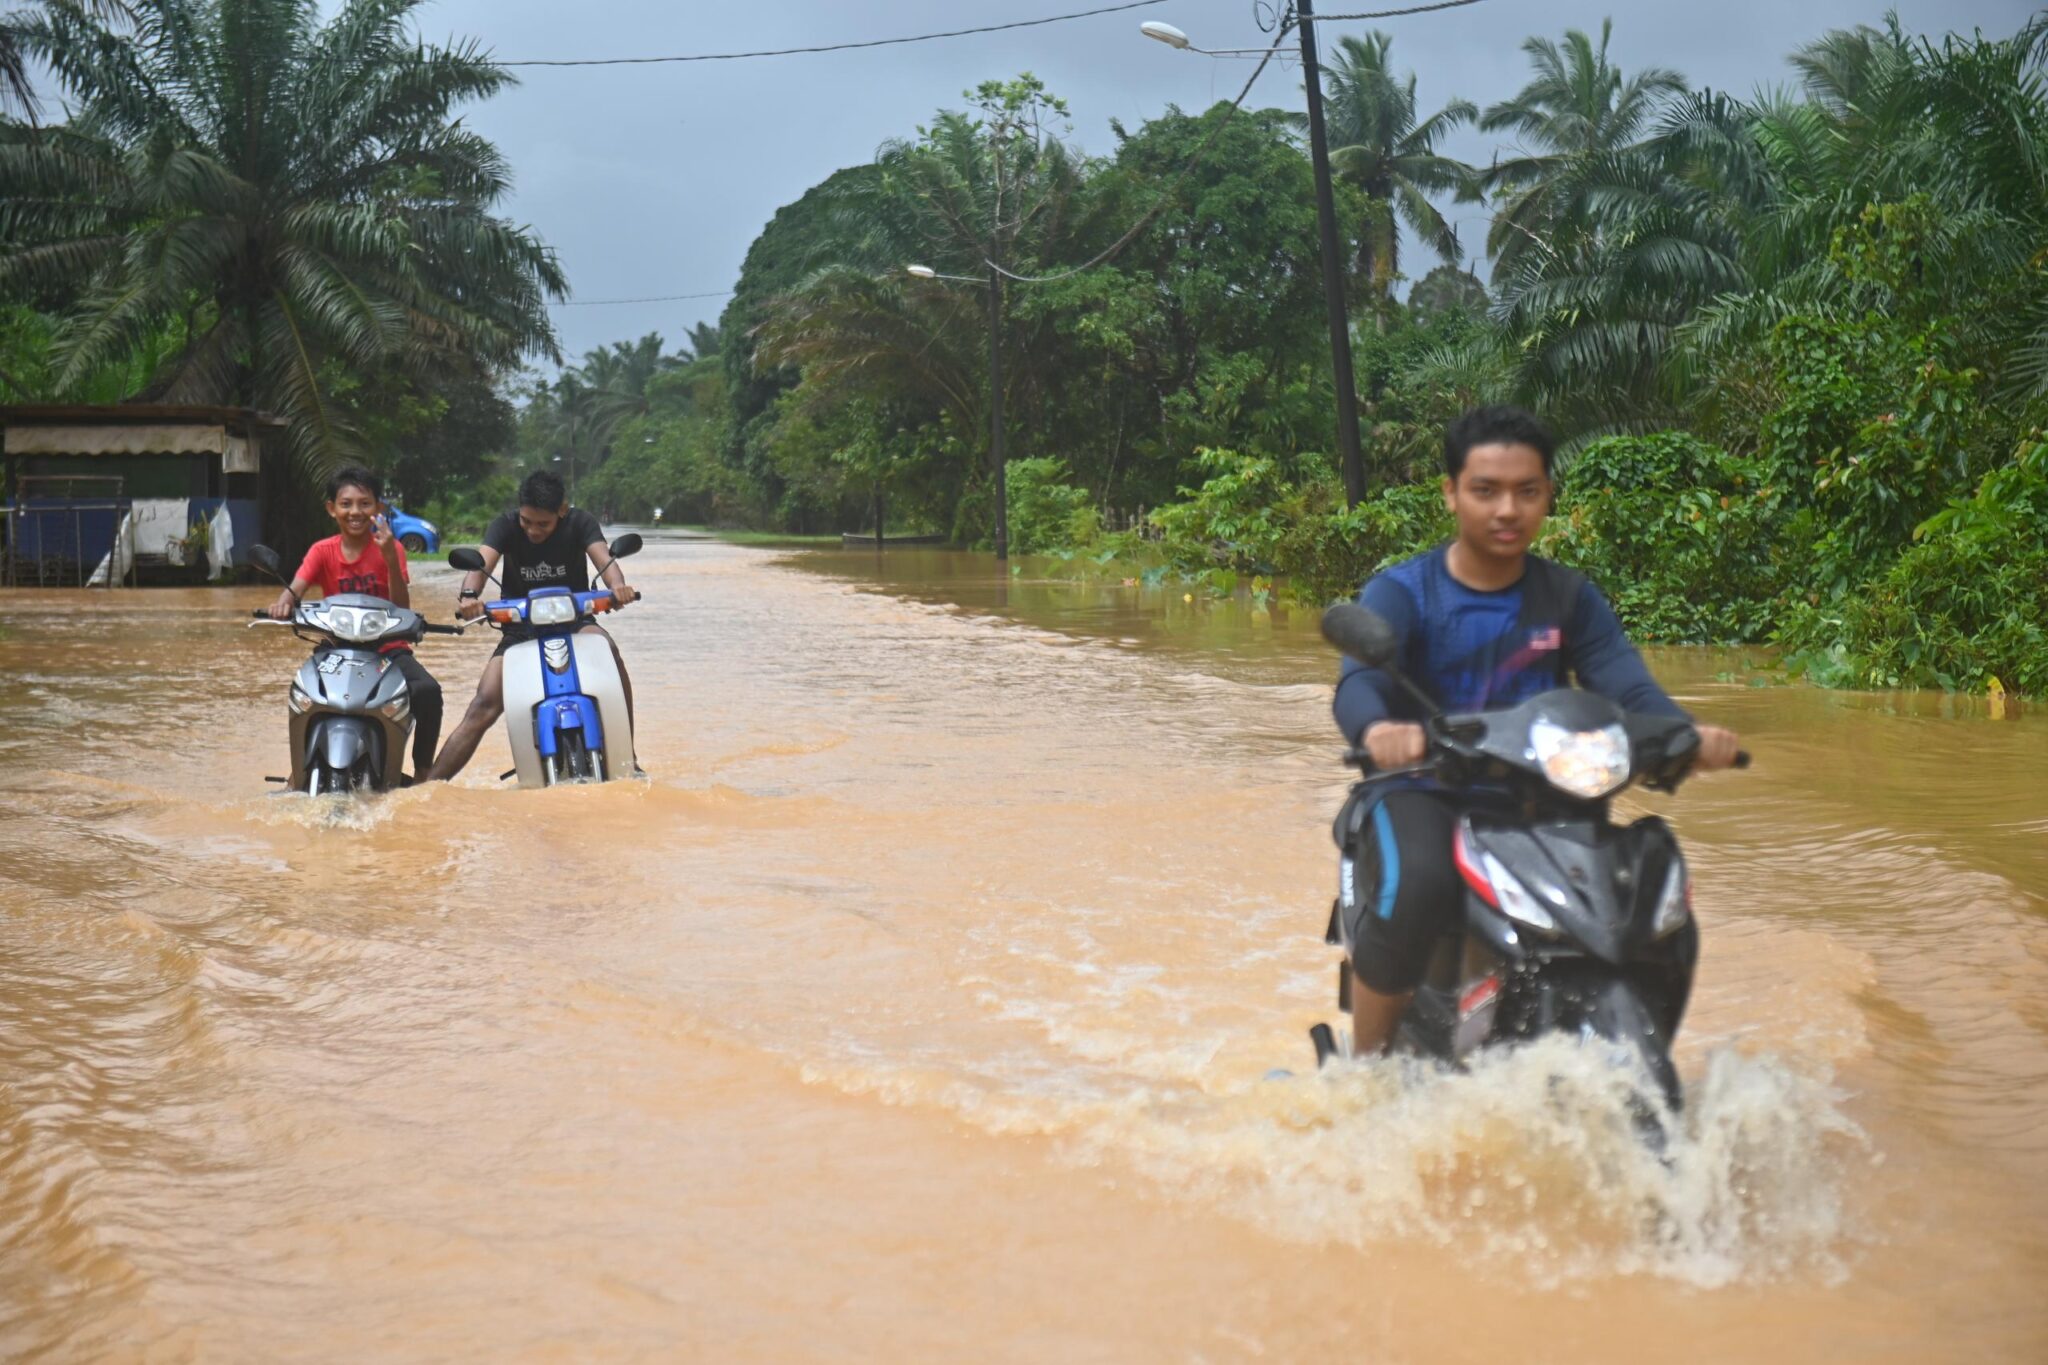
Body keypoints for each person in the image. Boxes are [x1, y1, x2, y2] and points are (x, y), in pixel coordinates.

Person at [1331, 405, 1741, 1057]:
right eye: (1485, 490)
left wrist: (1684, 734)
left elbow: (1625, 684)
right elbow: (1359, 683)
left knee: (1653, 883)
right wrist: (1381, 728)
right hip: (1423, 789)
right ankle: (1366, 1067)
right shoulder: (1403, 592)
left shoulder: (1569, 597)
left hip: (1548, 797)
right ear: (1451, 494)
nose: (1507, 510)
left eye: (1527, 491)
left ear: (1549, 493)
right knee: (1419, 884)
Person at [424, 470, 639, 781]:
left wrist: (618, 587)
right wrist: (470, 595)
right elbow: (482, 563)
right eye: (527, 522)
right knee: (484, 703)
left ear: (561, 511)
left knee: (610, 651)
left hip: (575, 622)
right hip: (520, 628)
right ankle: (430, 788)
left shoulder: (581, 522)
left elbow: (605, 560)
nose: (533, 530)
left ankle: (628, 756)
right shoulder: (504, 525)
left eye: (543, 524)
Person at [267, 465, 443, 783]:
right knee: (302, 693)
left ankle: (423, 772)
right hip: (334, 649)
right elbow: (295, 588)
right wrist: (283, 604)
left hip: (388, 649)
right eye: (346, 504)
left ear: (378, 508)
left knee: (428, 692)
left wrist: (389, 557)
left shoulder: (394, 549)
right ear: (331, 509)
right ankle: (298, 772)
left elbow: (402, 607)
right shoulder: (322, 551)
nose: (355, 512)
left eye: (364, 503)